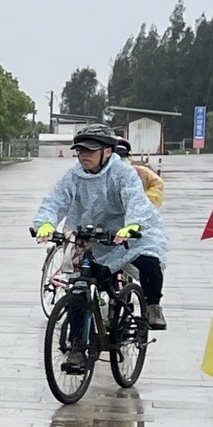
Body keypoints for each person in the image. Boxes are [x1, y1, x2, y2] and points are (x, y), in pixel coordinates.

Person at [31, 124, 170, 333]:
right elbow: (55, 200)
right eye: (80, 150)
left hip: (129, 233)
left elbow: (135, 199)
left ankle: (153, 306)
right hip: (91, 237)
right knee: (79, 288)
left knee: (149, 260)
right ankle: (76, 350)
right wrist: (45, 223)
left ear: (107, 151)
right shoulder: (74, 176)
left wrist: (131, 225)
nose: (83, 155)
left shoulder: (124, 173)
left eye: (90, 150)